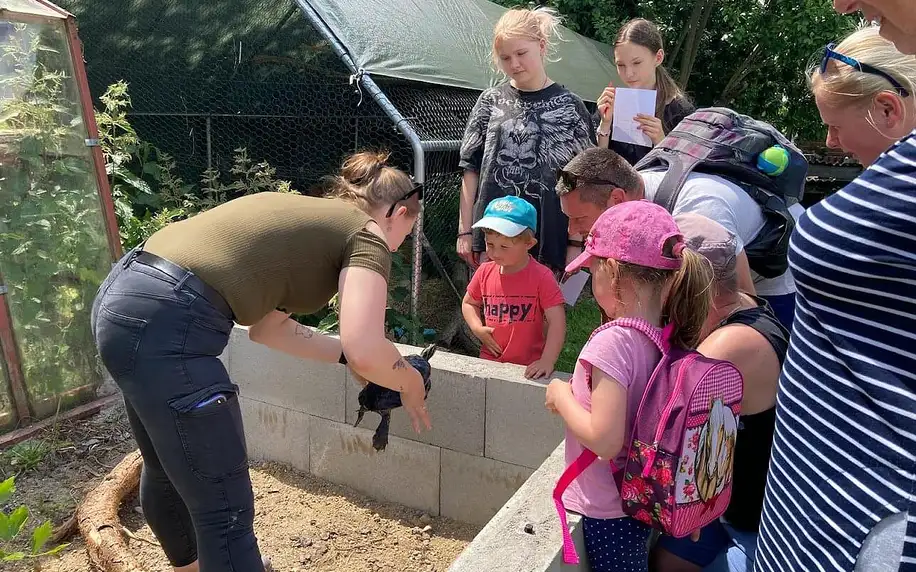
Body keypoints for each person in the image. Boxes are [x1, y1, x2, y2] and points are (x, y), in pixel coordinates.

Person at [90, 151, 433, 572]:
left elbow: (269, 330)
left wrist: (350, 358)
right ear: (398, 213)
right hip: (169, 325)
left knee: (166, 467)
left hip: (124, 301)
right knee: (224, 507)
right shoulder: (368, 235)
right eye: (406, 232)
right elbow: (366, 344)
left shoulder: (310, 219)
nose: (397, 245)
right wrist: (408, 382)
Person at [754, 23, 916, 572]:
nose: (829, 143)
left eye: (834, 126)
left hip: (871, 517)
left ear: (889, 110)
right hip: (823, 503)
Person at [546, 200, 714, 572]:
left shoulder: (613, 342)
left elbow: (604, 440)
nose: (591, 284)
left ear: (613, 272)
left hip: (607, 511)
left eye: (592, 273)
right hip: (640, 499)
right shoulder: (663, 337)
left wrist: (560, 394)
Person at [651, 214, 789, 572]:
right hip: (726, 503)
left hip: (757, 525)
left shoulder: (729, 345)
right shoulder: (742, 303)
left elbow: (658, 422)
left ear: (686, 283)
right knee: (665, 561)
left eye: (658, 279)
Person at [457, 6, 595, 277]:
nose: (514, 64)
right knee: (490, 315)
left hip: (548, 238)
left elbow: (577, 180)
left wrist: (576, 242)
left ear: (541, 46)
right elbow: (470, 170)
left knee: (543, 317)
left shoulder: (570, 107)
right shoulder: (489, 101)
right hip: (493, 238)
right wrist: (464, 230)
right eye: (505, 57)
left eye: (521, 53)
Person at [556, 148, 762, 308]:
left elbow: (741, 305)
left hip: (766, 276)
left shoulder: (697, 215)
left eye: (579, 218)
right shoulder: (633, 192)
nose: (570, 230)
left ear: (617, 199)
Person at [461, 196, 566, 379]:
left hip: (529, 365)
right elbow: (469, 303)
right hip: (490, 360)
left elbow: (557, 321)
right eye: (490, 244)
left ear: (529, 244)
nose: (494, 253)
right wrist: (477, 328)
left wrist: (547, 360)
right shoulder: (484, 271)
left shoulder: (542, 277)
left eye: (504, 246)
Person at [594, 18, 695, 166]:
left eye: (637, 63)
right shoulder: (613, 104)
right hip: (615, 188)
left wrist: (661, 141)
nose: (628, 73)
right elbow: (594, 164)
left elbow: (687, 171)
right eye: (620, 65)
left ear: (658, 57)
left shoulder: (680, 111)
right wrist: (604, 124)